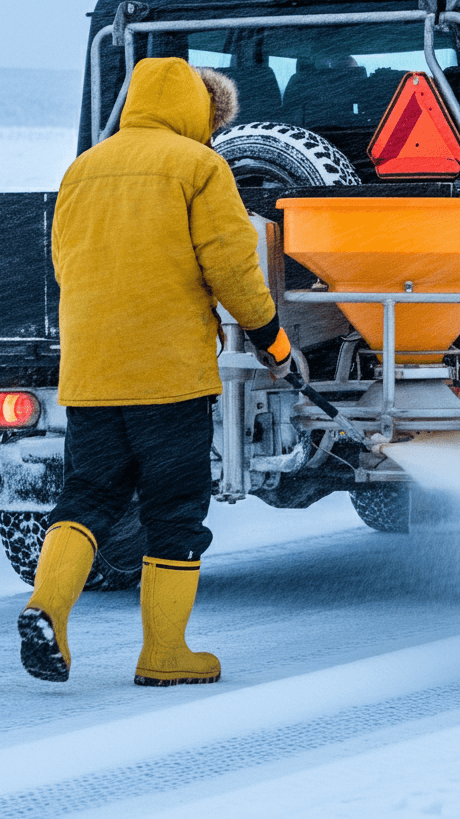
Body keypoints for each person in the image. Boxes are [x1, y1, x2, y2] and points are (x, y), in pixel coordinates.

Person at [17, 56, 291, 686]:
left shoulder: (84, 168)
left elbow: (64, 262)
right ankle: (165, 653)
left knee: (88, 496)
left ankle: (47, 608)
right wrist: (272, 340)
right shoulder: (199, 166)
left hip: (92, 373)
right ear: (200, 111)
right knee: (174, 510)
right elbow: (232, 267)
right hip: (168, 376)